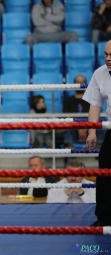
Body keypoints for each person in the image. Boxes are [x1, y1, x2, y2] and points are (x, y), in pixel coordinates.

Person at [83, 39, 111, 227]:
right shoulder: (100, 73)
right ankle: (104, 219)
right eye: (106, 54)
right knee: (104, 171)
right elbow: (95, 104)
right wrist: (91, 131)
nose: (108, 59)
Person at [62, 75, 90, 148]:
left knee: (101, 125)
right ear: (74, 84)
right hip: (73, 128)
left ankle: (98, 146)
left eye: (82, 82)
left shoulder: (91, 99)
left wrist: (84, 128)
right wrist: (78, 128)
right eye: (78, 82)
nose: (80, 84)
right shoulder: (68, 100)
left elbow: (95, 115)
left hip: (89, 127)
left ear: (86, 84)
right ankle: (69, 146)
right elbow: (67, 116)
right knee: (65, 126)